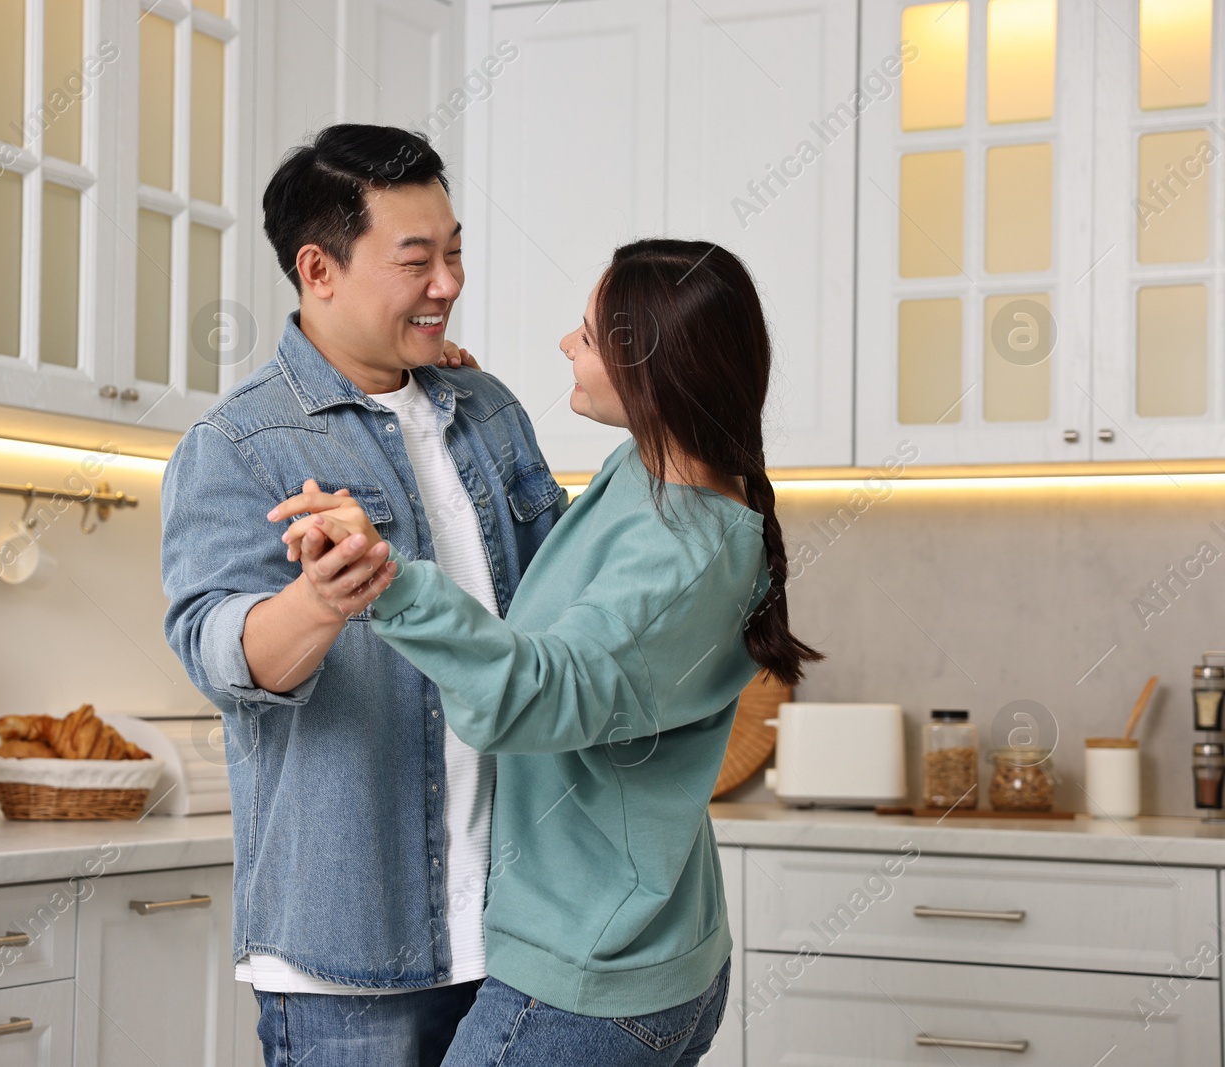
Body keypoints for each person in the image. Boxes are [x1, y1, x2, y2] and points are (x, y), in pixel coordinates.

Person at [269, 239, 823, 1066]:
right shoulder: (652, 473)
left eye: (591, 336)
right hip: (649, 947)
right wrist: (458, 401)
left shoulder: (684, 551)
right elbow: (571, 592)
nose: (568, 343)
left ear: (656, 369)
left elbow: (537, 691)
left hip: (588, 980)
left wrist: (389, 578)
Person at [161, 124, 568, 1067]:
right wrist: (321, 599)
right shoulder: (239, 444)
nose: (448, 283)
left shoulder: (490, 411)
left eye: (455, 252)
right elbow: (219, 650)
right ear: (320, 268)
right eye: (416, 260)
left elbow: (557, 616)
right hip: (351, 959)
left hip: (521, 928)